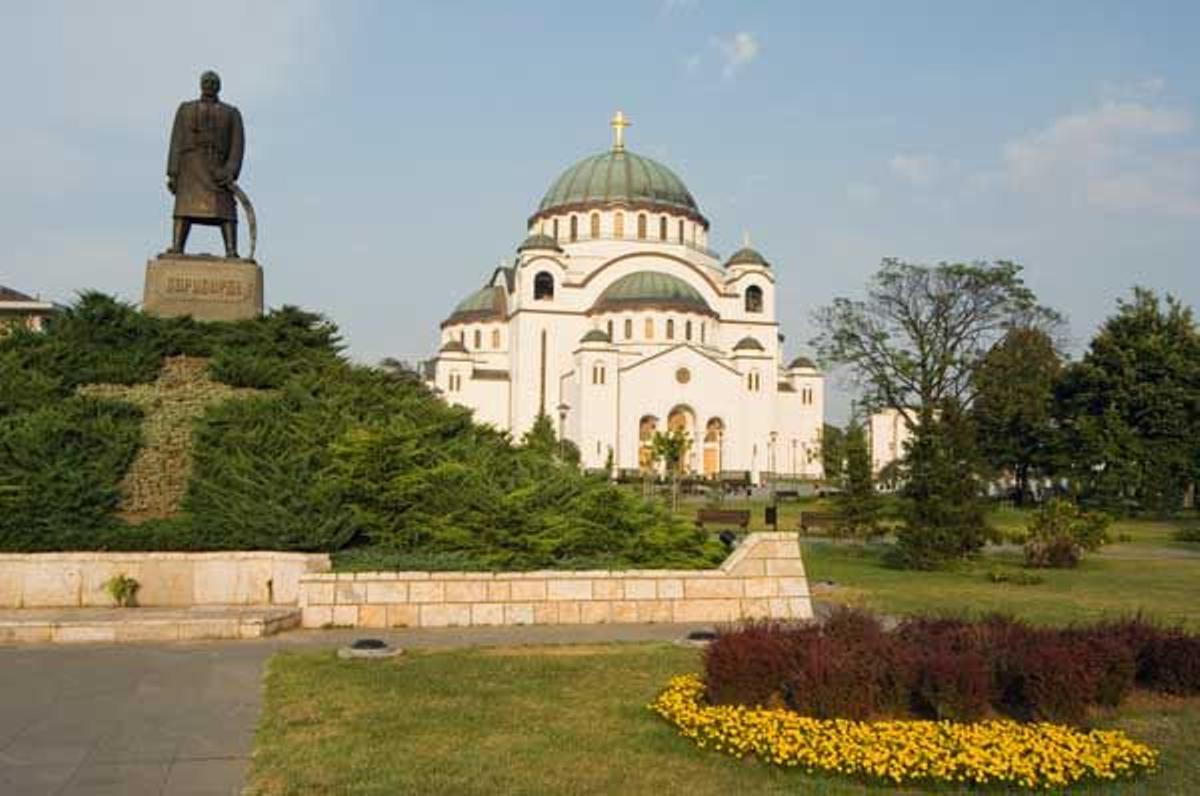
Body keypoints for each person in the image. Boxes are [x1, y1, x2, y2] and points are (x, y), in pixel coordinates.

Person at [166, 70, 245, 258]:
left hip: (218, 169)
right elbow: (176, 141)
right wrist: (173, 173)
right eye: (206, 81)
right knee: (184, 209)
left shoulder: (231, 112)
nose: (210, 84)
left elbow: (237, 146)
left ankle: (231, 250)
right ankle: (177, 246)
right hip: (190, 168)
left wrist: (230, 171)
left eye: (213, 81)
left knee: (227, 211)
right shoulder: (185, 109)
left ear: (219, 86)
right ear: (201, 84)